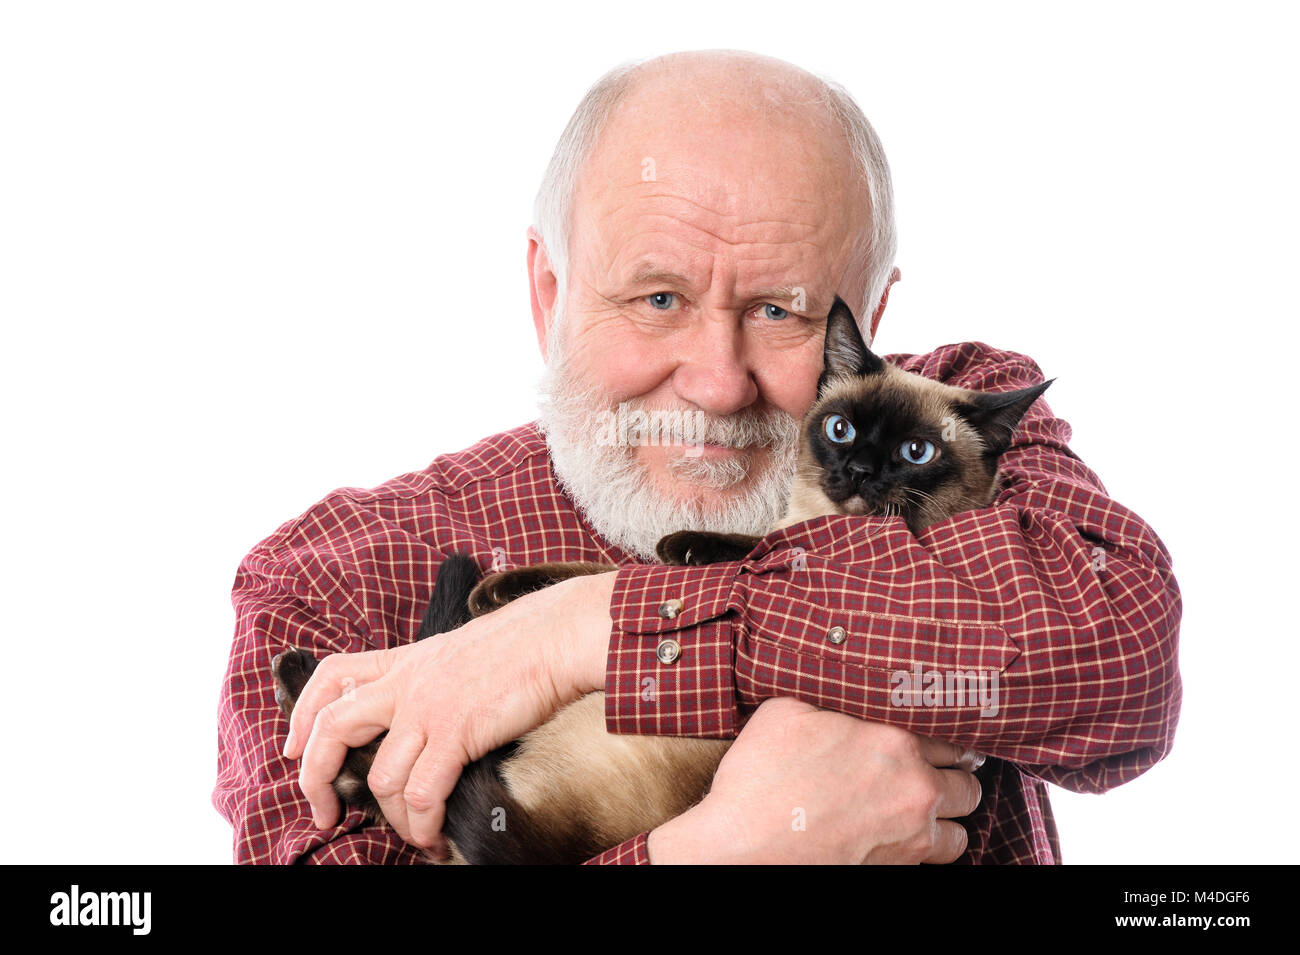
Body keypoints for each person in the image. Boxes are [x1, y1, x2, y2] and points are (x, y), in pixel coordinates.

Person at [213, 50, 1182, 864]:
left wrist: (581, 628)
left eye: (780, 310)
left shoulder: (956, 417)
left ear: (869, 319)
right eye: (659, 299)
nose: (718, 383)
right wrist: (722, 850)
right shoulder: (333, 582)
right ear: (549, 293)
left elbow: (1121, 659)